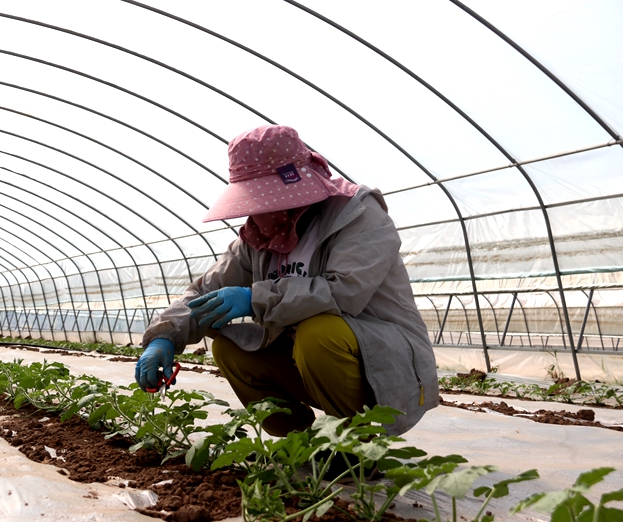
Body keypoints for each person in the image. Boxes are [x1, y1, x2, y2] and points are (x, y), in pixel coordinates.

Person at [135, 124, 438, 437]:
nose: (258, 213)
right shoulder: (259, 237)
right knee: (230, 347)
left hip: (380, 362)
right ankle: (299, 442)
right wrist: (164, 337)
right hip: (306, 363)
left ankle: (355, 446)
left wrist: (254, 298)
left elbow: (343, 292)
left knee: (318, 331)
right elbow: (204, 290)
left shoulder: (358, 216)